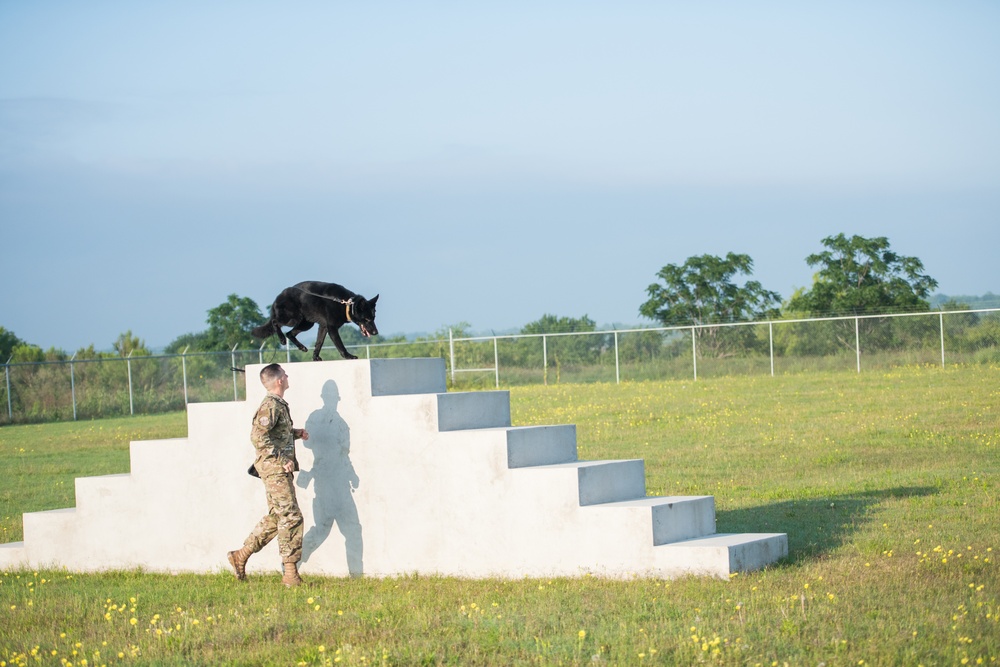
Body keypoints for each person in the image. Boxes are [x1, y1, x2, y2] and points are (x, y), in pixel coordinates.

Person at [228, 363, 310, 586]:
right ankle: (290, 575)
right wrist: (283, 460)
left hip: (276, 469)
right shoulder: (270, 405)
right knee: (291, 516)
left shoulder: (277, 405)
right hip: (274, 469)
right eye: (284, 373)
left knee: (277, 516)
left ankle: (240, 555)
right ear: (279, 380)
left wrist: (295, 433)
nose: (287, 375)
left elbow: (275, 433)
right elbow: (258, 437)